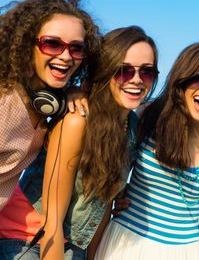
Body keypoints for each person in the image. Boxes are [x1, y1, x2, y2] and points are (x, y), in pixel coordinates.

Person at [0, 26, 159, 259]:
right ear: (105, 72)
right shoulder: (77, 120)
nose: (136, 80)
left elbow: (101, 205)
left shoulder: (131, 128)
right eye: (124, 71)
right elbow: (51, 222)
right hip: (26, 240)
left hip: (72, 245)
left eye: (146, 72)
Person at [94, 40, 199, 260]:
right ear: (181, 81)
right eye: (197, 77)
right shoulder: (147, 116)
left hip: (184, 251)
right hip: (127, 243)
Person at [0, 0, 100, 212]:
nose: (66, 56)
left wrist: (71, 91)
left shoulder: (46, 102)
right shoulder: (4, 99)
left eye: (76, 49)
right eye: (52, 44)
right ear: (27, 45)